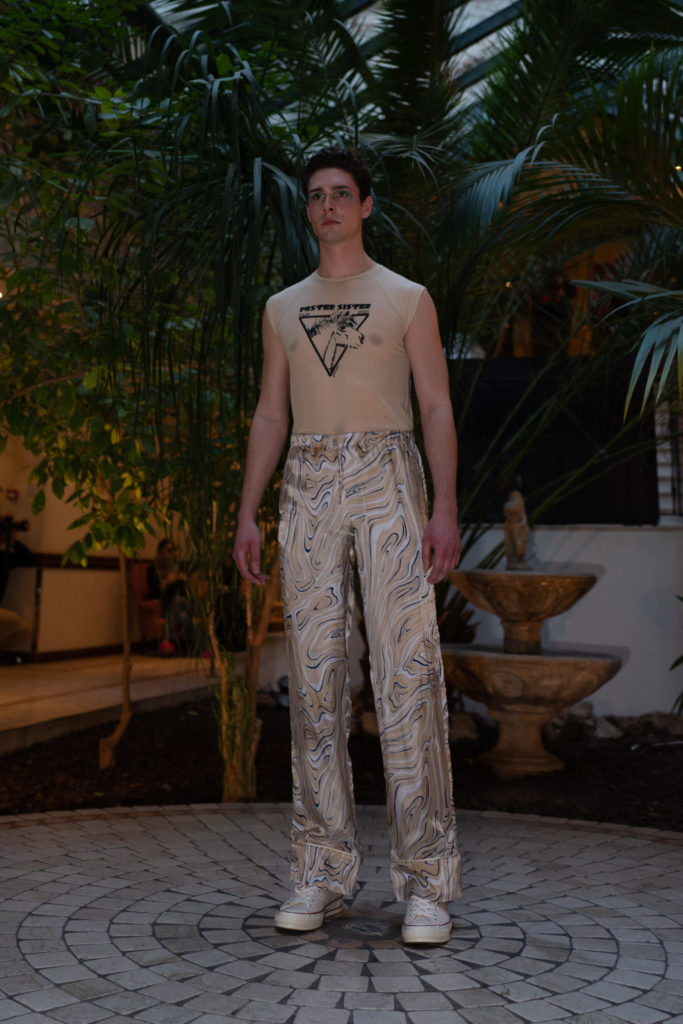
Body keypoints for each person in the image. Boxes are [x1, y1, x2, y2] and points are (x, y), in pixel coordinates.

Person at [233, 146, 462, 945]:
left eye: (340, 193)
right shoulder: (281, 307)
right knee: (314, 678)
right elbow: (271, 413)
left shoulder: (407, 298)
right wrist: (248, 511)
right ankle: (321, 871)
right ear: (307, 209)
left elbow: (436, 407)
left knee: (407, 674)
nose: (326, 205)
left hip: (387, 474)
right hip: (307, 482)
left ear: (365, 205)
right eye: (315, 195)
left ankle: (425, 882)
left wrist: (443, 508)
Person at [147, 539, 195, 655]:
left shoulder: (180, 567)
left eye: (174, 550)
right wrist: (167, 581)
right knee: (183, 617)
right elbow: (154, 592)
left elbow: (188, 592)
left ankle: (167, 639)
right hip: (167, 605)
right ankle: (200, 646)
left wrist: (184, 580)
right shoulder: (153, 570)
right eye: (169, 550)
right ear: (161, 553)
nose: (172, 553)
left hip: (185, 603)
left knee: (178, 600)